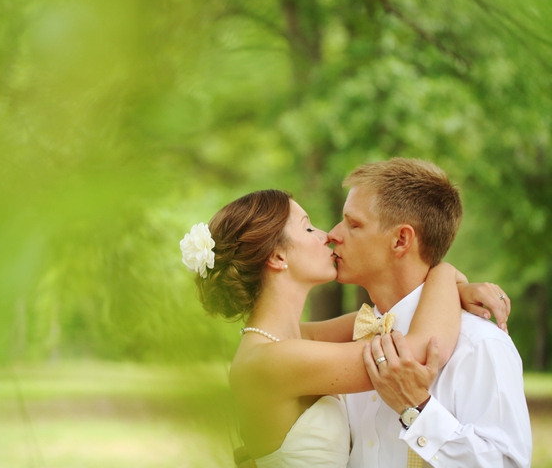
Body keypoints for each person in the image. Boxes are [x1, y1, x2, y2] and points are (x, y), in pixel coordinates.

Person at [180, 187, 506, 468]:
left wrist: (456, 293)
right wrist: (444, 273)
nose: (328, 236)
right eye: (308, 229)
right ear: (278, 256)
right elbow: (414, 352)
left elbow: (391, 318)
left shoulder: (290, 339)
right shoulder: (268, 361)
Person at [328, 158, 532, 467]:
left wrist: (416, 409)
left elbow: (507, 463)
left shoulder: (480, 345)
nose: (333, 234)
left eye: (353, 224)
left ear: (401, 240)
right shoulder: (353, 340)